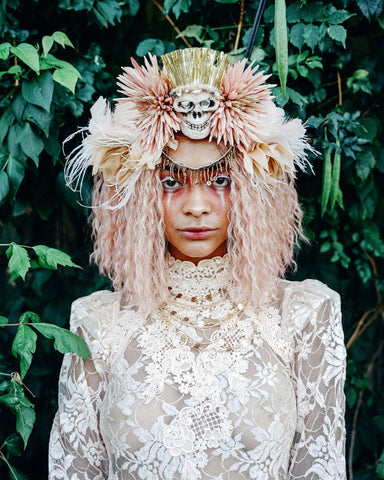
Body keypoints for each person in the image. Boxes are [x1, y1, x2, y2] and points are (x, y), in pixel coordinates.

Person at [49, 47, 347, 479]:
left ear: (251, 189)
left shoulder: (302, 316)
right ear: (140, 196)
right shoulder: (98, 323)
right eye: (171, 182)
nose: (196, 206)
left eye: (220, 181)